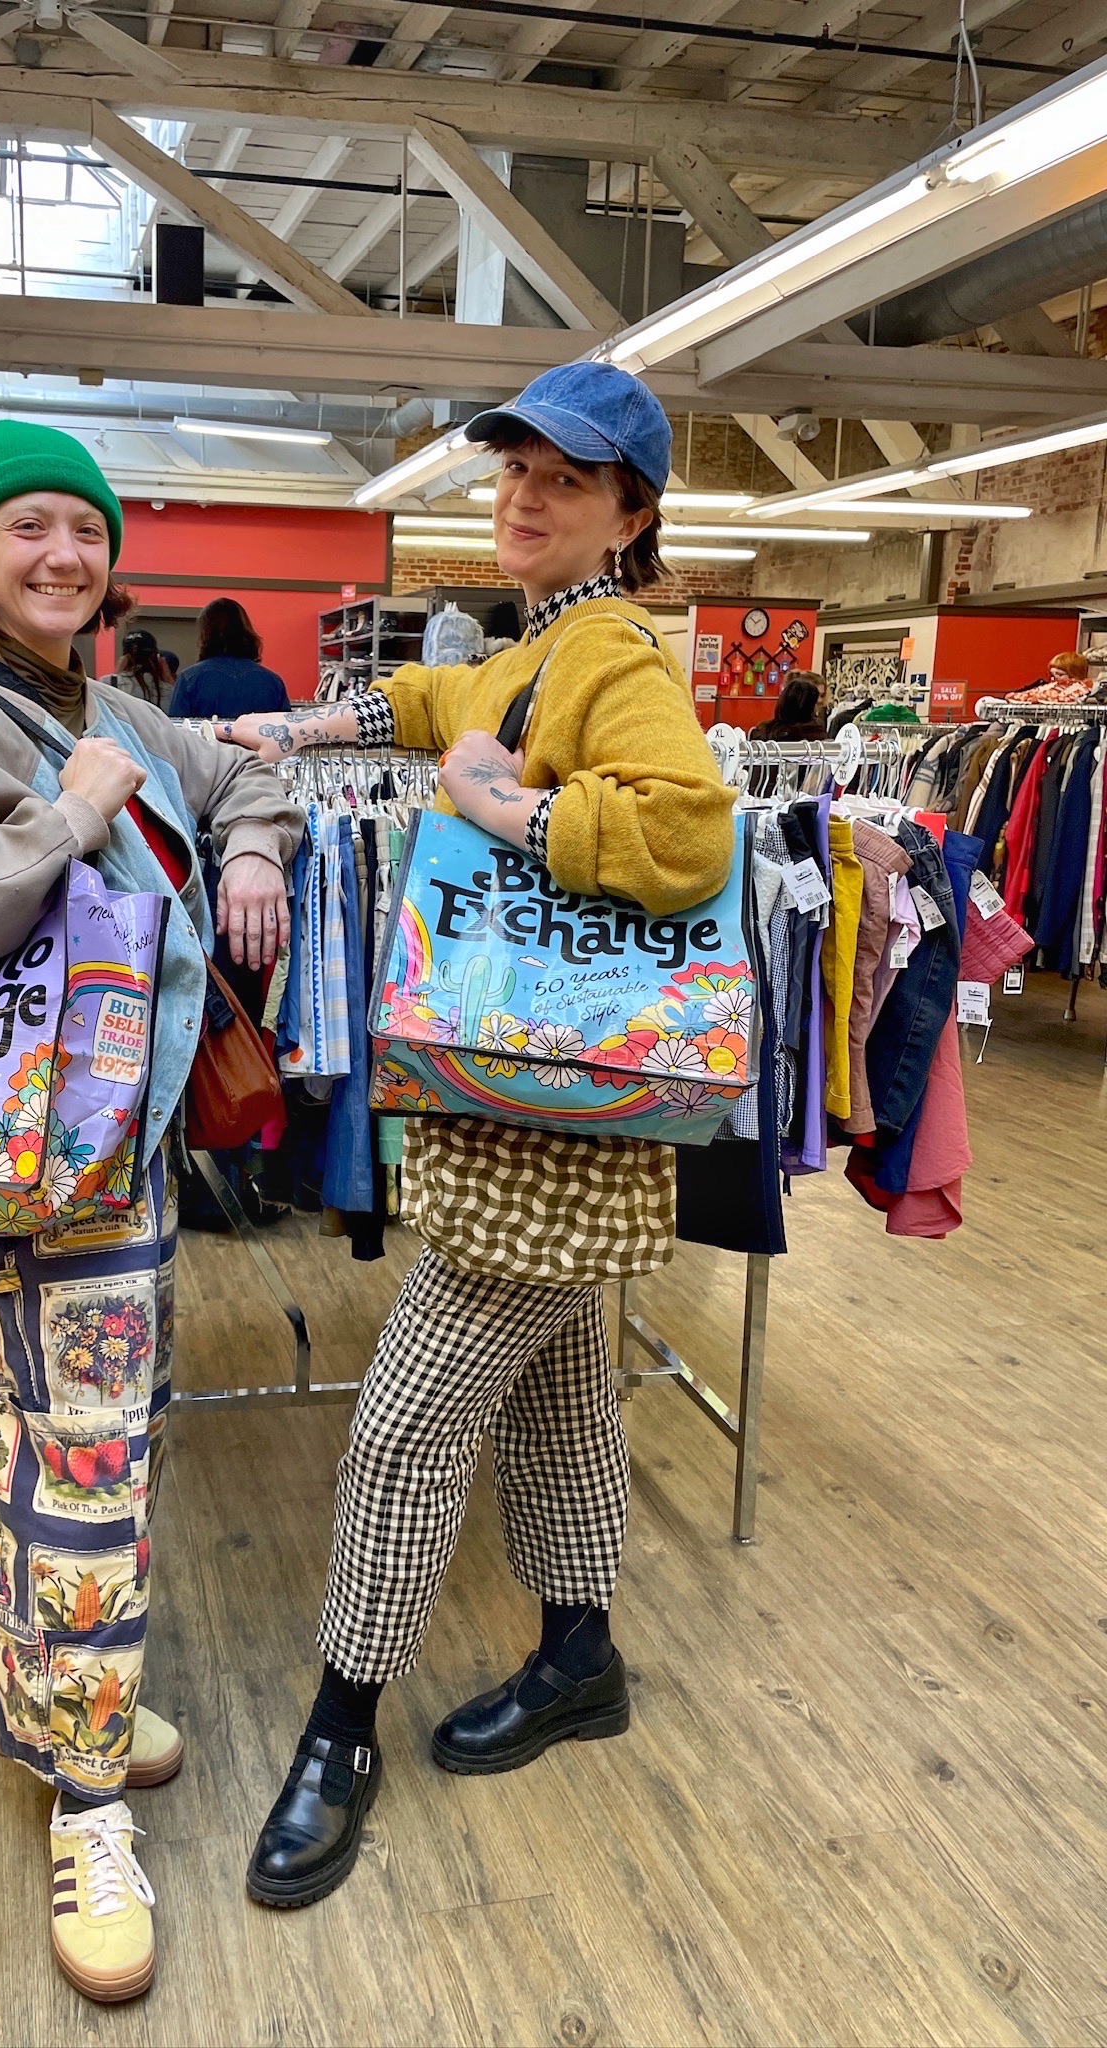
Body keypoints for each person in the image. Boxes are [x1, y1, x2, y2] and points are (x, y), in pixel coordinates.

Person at [224, 360, 736, 1909]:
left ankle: (340, 1732)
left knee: (400, 1433)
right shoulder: (532, 649)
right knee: (565, 1399)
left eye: (566, 480)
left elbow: (688, 832)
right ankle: (581, 1655)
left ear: (629, 516)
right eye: (515, 469)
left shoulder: (613, 653)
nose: (525, 496)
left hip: (549, 1132)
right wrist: (305, 727)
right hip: (531, 1112)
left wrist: (501, 811)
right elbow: (428, 703)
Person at [0, 420, 301, 2004]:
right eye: (28, 527)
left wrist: (250, 850)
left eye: (86, 529)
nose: (63, 553)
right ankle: (89, 1800)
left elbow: (258, 771)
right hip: (27, 1179)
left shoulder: (121, 710)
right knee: (74, 1475)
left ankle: (64, 1705)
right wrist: (66, 816)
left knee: (87, 1449)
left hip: (126, 1168)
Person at [169, 598, 291, 720]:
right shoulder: (273, 682)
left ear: (206, 633)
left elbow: (176, 728)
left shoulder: (189, 679)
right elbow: (286, 728)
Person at [108, 626, 175, 708]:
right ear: (155, 657)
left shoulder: (108, 683)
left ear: (125, 658)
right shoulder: (167, 691)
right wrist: (167, 677)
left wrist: (116, 674)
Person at [753, 671, 827, 740]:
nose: (819, 700)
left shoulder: (765, 731)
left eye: (822, 695)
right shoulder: (815, 732)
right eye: (815, 695)